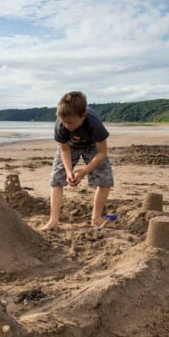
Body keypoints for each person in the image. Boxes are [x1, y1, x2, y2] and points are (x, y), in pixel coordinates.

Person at [41, 90, 114, 231]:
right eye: (63, 122)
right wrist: (69, 172)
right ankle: (53, 221)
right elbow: (64, 150)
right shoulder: (61, 125)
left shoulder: (94, 124)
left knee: (105, 180)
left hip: (93, 146)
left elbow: (102, 153)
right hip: (70, 146)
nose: (67, 125)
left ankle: (96, 218)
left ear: (83, 116)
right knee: (56, 179)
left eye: (70, 122)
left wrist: (84, 172)